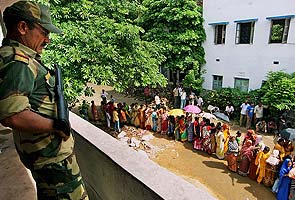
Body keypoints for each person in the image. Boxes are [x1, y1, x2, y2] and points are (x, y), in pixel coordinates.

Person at [0, 1, 88, 199]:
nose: (47, 40)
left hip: (45, 156)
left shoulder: (18, 57)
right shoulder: (18, 62)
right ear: (23, 27)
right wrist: (56, 125)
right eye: (44, 32)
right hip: (51, 160)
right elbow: (13, 116)